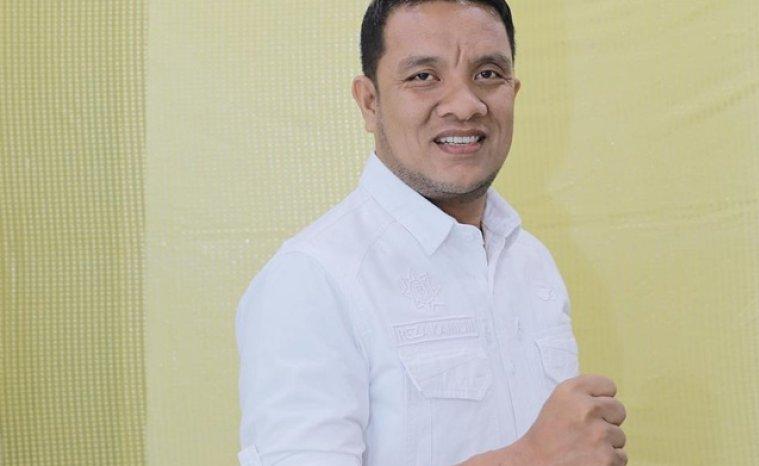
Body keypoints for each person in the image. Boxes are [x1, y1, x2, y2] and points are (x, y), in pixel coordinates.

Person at [235, 1, 627, 465]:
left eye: (488, 74)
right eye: (424, 76)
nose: (466, 104)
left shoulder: (531, 261)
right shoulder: (312, 279)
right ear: (369, 102)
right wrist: (530, 458)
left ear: (514, 91)